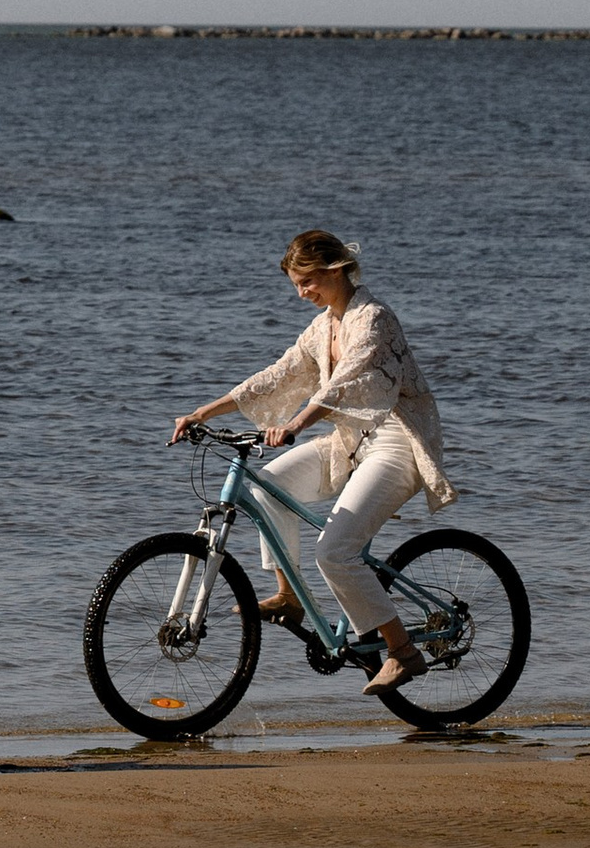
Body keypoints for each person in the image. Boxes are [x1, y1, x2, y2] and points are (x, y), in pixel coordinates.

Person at [170, 229, 454, 696]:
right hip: (350, 440)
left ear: (336, 268)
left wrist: (298, 423)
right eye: (297, 285)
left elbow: (342, 385)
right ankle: (289, 595)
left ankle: (403, 652)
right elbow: (277, 376)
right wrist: (202, 412)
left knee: (334, 552)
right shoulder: (325, 326)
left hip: (396, 443)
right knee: (264, 488)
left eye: (307, 281)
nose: (302, 293)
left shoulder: (374, 319)